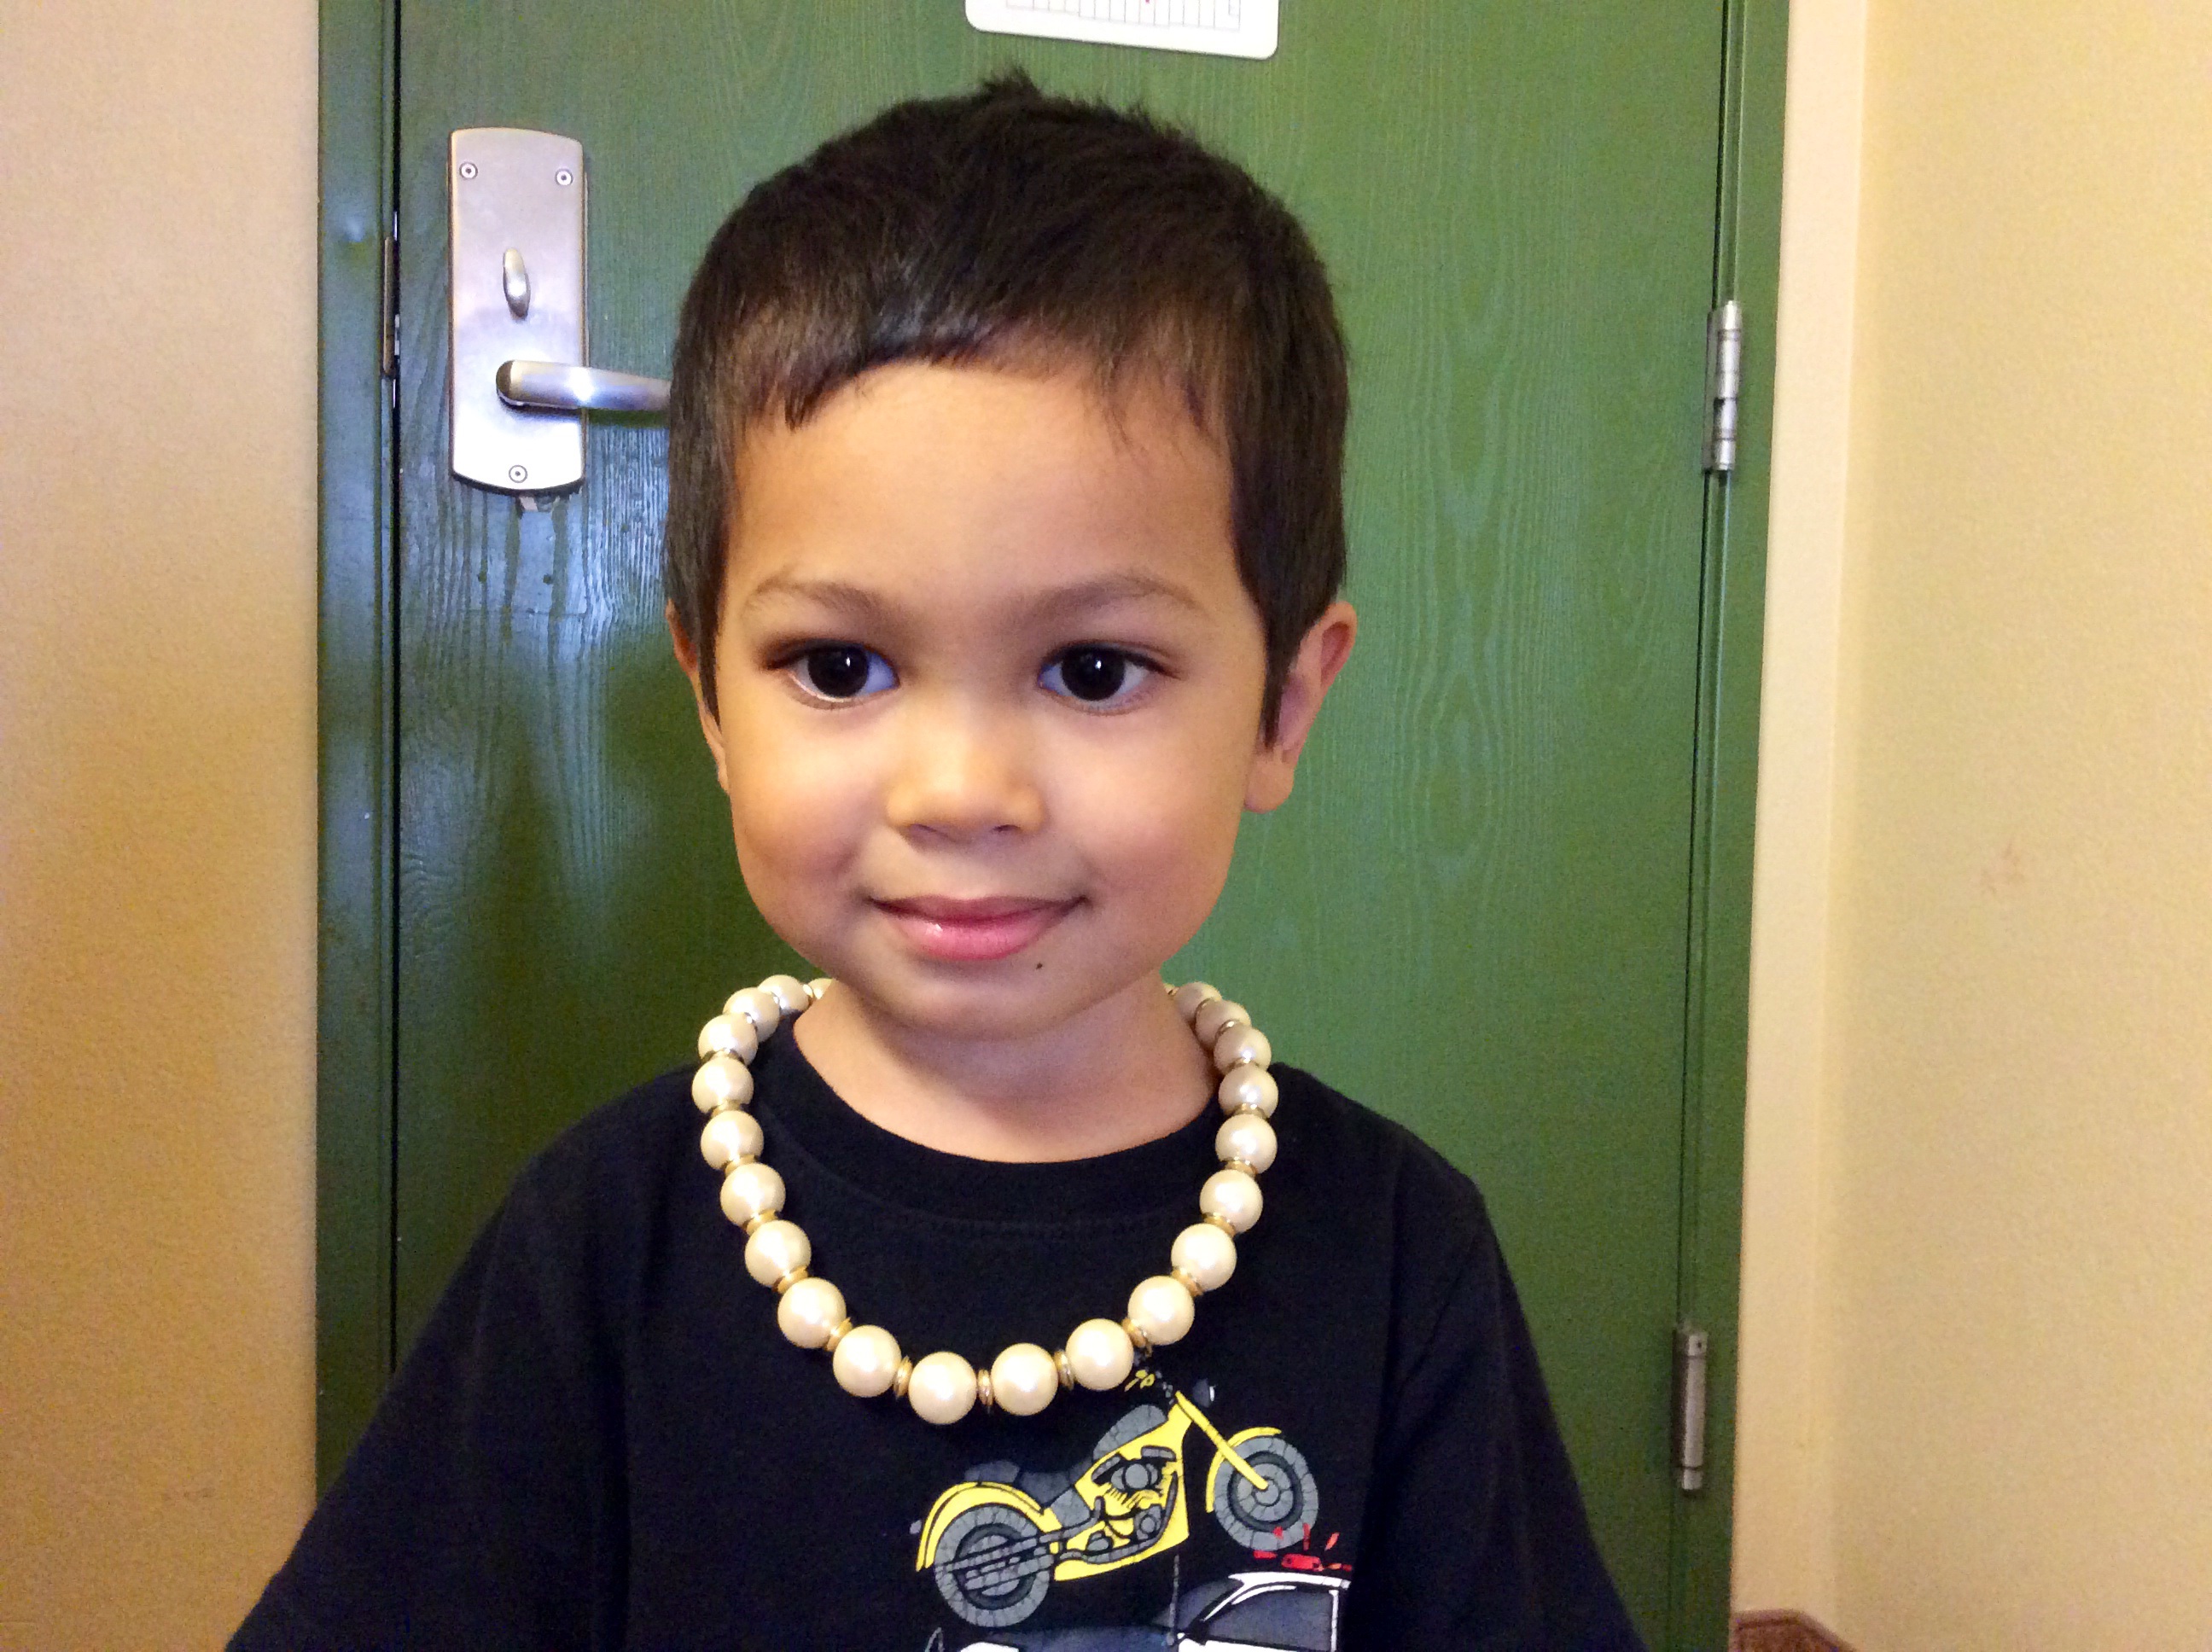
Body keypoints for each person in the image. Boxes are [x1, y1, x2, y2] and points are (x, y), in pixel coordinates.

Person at [234, 74, 1644, 1650]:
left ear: (1283, 707)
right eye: (839, 668)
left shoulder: (1396, 1256)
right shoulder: (599, 1249)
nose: (961, 792)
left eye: (1094, 671)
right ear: (709, 700)